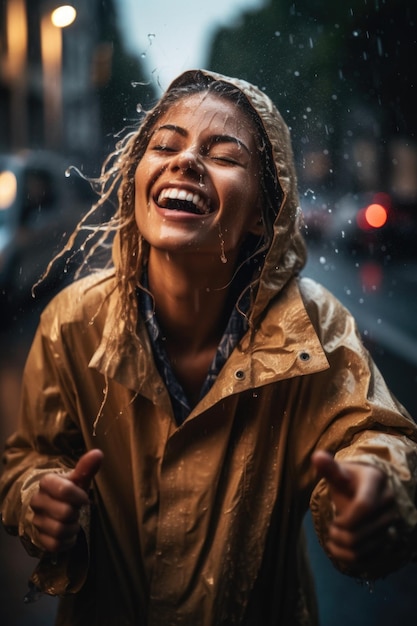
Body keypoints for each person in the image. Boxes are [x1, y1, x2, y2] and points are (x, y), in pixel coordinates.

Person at [1, 69, 417, 626]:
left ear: (262, 216)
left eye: (223, 155)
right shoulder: (72, 320)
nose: (186, 160)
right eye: (165, 145)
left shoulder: (314, 324)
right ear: (136, 179)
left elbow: (376, 437)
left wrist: (374, 487)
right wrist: (37, 498)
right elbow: (29, 458)